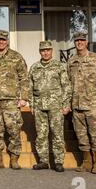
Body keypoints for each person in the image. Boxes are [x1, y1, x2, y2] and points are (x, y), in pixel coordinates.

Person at [0, 30, 29, 169]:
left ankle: (14, 159)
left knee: (14, 130)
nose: (1, 42)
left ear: (7, 41)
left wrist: (24, 97)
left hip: (11, 101)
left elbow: (24, 78)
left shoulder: (16, 57)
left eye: (3, 40)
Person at [67, 31, 96, 174]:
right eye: (77, 40)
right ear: (75, 43)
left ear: (86, 42)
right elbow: (68, 84)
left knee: (95, 135)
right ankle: (86, 162)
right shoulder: (71, 61)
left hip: (93, 105)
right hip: (77, 105)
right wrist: (68, 103)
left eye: (82, 40)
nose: (79, 43)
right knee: (81, 135)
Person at [29, 41, 71, 172]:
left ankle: (58, 162)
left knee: (57, 134)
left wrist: (66, 104)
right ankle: (43, 161)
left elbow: (66, 86)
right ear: (39, 52)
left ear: (51, 51)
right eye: (43, 50)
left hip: (56, 106)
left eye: (47, 50)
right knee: (41, 134)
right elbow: (29, 88)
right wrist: (31, 104)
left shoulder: (59, 66)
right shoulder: (34, 67)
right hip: (39, 106)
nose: (45, 52)